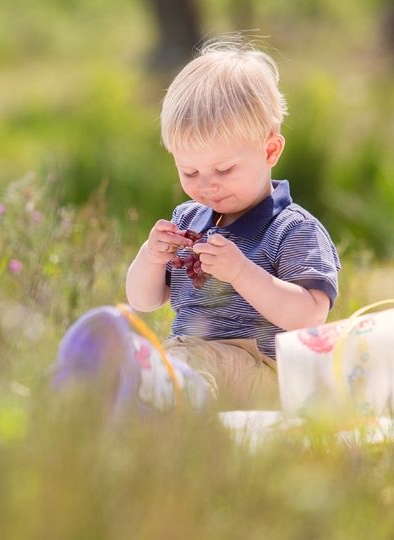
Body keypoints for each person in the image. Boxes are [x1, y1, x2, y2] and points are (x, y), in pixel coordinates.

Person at [124, 35, 341, 411]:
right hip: (194, 358)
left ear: (270, 150)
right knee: (137, 360)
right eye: (189, 171)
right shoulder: (188, 218)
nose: (206, 185)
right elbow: (142, 301)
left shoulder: (292, 229)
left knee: (180, 370)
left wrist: (241, 272)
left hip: (265, 371)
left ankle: (165, 404)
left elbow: (310, 315)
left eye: (223, 169)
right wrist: (151, 255)